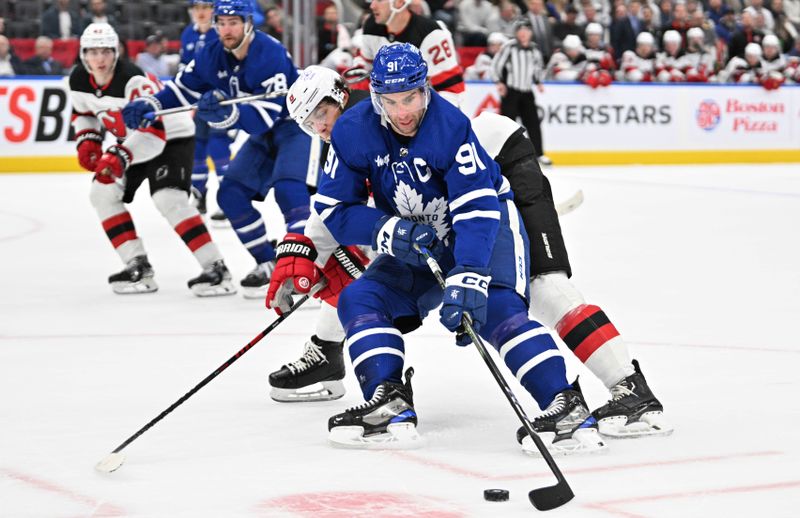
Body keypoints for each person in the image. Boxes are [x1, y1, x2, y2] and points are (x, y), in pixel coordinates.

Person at [279, 62, 671, 444]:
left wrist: (468, 272)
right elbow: (332, 211)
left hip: (496, 181)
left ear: (342, 95)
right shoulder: (350, 132)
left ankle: (600, 392)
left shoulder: (440, 122)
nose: (320, 126)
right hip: (425, 226)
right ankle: (384, 397)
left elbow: (476, 206)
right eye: (309, 122)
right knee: (361, 295)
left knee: (529, 294)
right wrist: (312, 252)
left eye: (323, 113)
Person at [122, 0, 313, 299]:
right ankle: (268, 261)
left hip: (297, 126)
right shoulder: (211, 53)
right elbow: (182, 89)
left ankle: (305, 270)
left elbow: (265, 116)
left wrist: (227, 116)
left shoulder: (270, 52)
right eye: (221, 22)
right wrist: (152, 104)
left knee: (290, 192)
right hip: (265, 134)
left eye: (233, 22)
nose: (226, 29)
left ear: (249, 23)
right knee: (230, 195)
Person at [69, 23, 235, 296]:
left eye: (105, 52)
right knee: (101, 192)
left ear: (116, 52)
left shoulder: (133, 79)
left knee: (169, 199)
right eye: (92, 52)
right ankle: (137, 265)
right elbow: (83, 111)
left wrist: (119, 155)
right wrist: (88, 139)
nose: (99, 59)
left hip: (172, 136)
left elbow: (153, 134)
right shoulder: (77, 79)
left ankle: (216, 269)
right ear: (83, 54)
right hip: (135, 142)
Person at [352, 0, 465, 106]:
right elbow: (362, 71)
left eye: (380, 0)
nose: (372, 5)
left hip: (422, 111)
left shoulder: (432, 33)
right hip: (384, 108)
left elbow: (452, 90)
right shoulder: (371, 26)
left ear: (400, 2)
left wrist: (436, 122)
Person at [179, 0, 232, 222]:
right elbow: (184, 67)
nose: (201, 12)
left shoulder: (222, 32)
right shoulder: (187, 34)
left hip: (220, 102)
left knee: (218, 147)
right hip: (198, 104)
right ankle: (199, 195)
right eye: (197, 8)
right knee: (197, 147)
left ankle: (229, 200)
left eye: (206, 7)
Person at [491, 19, 550, 166]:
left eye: (526, 30)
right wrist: (499, 82)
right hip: (511, 92)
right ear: (516, 33)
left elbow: (537, 68)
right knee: (507, 125)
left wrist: (538, 82)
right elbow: (496, 65)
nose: (523, 33)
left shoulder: (535, 50)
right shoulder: (509, 47)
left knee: (533, 124)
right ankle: (502, 155)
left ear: (530, 33)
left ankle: (539, 154)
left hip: (527, 92)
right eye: (520, 30)